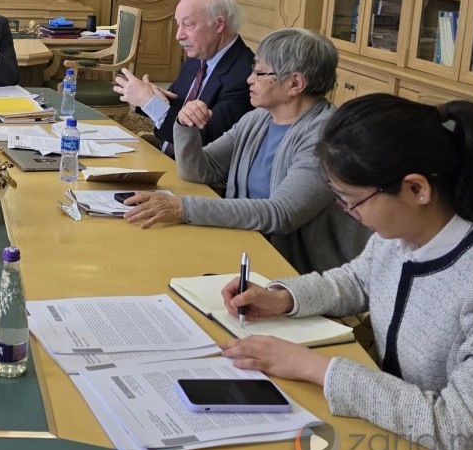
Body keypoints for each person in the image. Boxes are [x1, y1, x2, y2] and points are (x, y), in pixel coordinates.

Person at [220, 94, 473, 450]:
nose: (348, 212)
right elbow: (360, 278)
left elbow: (467, 433)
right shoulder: (410, 227)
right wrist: (283, 297)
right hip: (401, 431)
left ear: (417, 188)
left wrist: (316, 368)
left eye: (351, 199)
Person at [122, 28, 367, 274]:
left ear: (295, 83)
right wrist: (185, 126)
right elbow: (200, 170)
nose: (249, 79)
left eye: (259, 73)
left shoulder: (326, 137)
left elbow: (281, 213)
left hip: (294, 270)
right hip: (243, 246)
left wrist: (182, 208)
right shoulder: (259, 118)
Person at [113, 0, 253, 156]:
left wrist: (149, 101)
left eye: (188, 25)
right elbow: (175, 110)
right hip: (164, 153)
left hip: (194, 168)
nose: (179, 35)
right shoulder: (198, 58)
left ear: (219, 24)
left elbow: (207, 139)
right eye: (179, 25)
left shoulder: (245, 74)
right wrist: (151, 96)